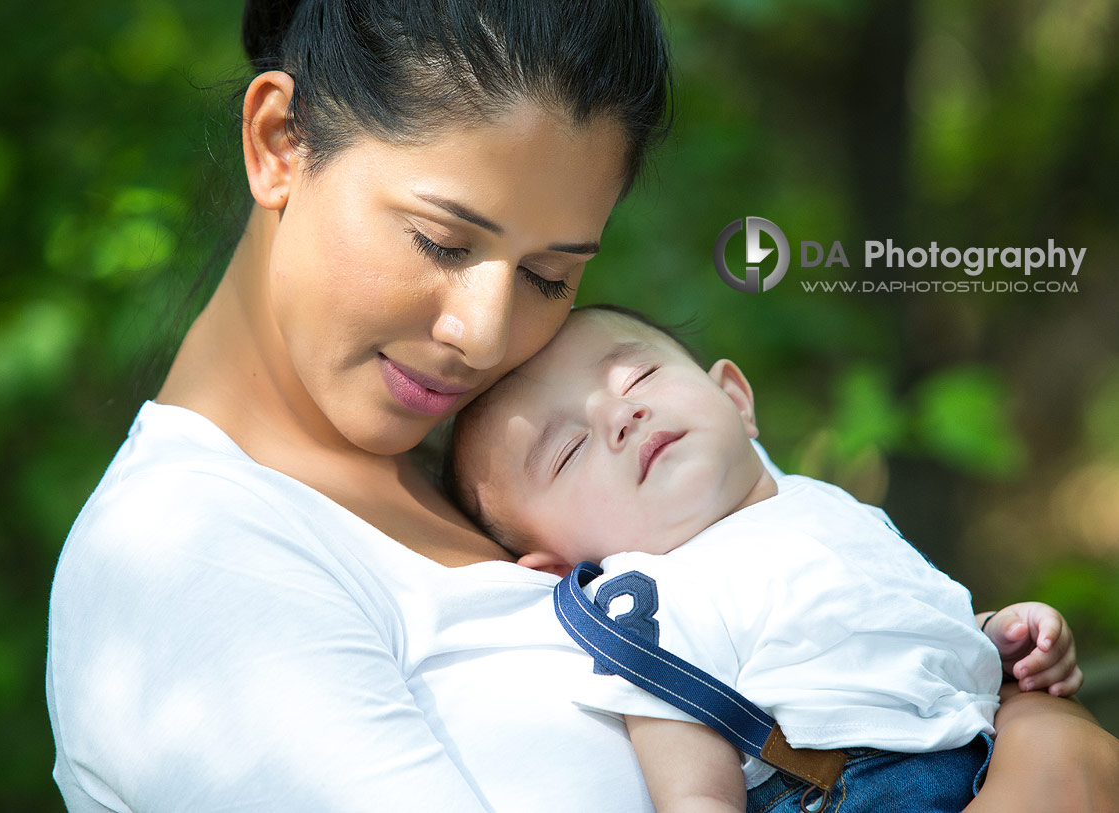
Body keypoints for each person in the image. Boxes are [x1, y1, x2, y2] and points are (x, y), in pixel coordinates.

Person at [45, 2, 1119, 811]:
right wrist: (1050, 766)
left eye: (551, 276)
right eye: (440, 241)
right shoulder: (192, 554)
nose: (480, 333)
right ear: (280, 142)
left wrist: (1024, 707)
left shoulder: (516, 485)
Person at [445, 305, 1085, 812]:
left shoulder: (828, 503)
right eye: (569, 449)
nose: (623, 413)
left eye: (637, 377)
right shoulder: (656, 597)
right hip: (859, 788)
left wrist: (995, 636)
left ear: (736, 398)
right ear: (560, 567)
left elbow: (900, 627)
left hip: (981, 742)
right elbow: (695, 793)